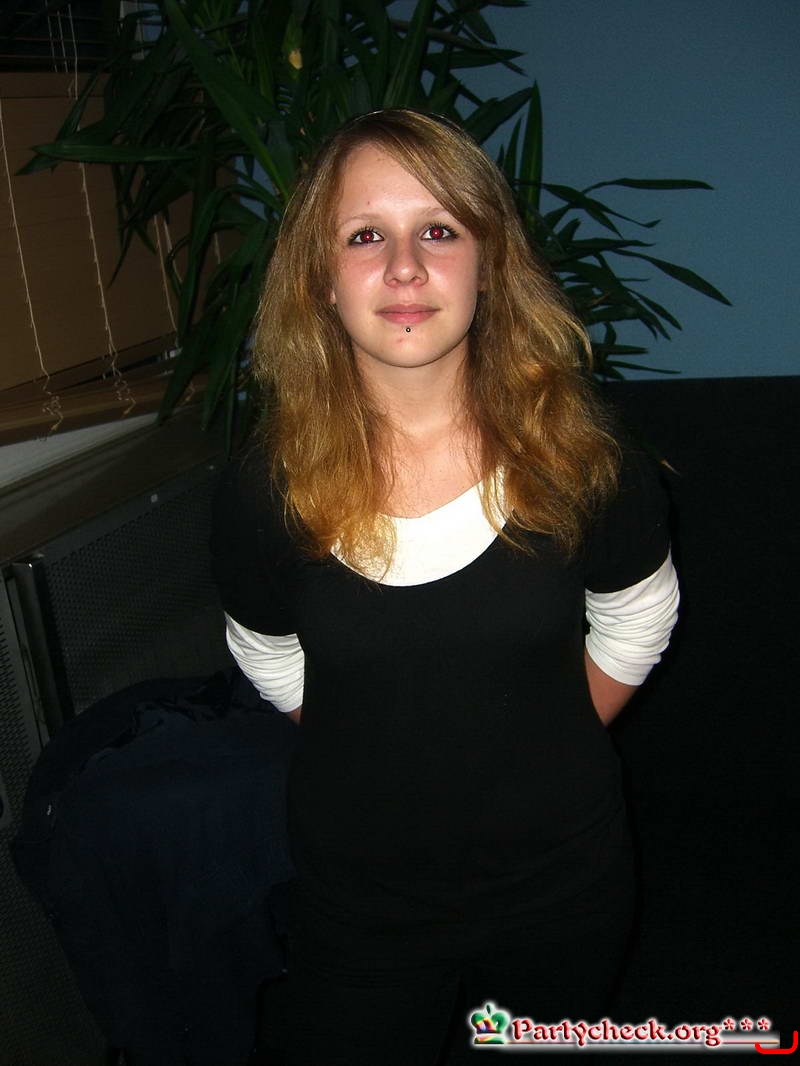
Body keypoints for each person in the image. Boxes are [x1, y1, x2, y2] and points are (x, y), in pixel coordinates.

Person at [211, 108, 679, 1065]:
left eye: (437, 230)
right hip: (360, 908)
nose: (404, 268)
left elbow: (638, 614)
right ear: (321, 279)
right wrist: (379, 747)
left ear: (488, 260)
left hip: (562, 891)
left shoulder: (584, 460)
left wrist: (546, 734)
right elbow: (263, 647)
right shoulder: (266, 487)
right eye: (364, 236)